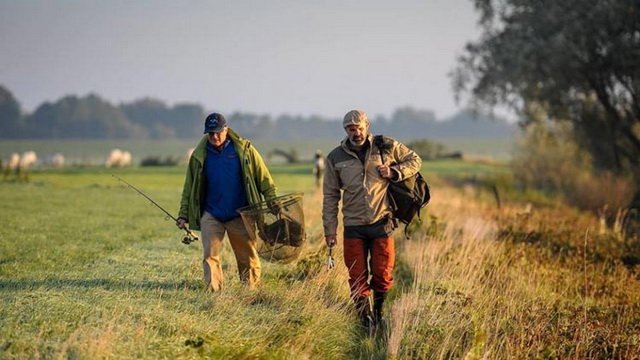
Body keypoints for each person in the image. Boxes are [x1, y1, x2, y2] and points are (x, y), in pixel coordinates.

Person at [322, 110, 422, 334]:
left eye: (359, 127)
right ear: (345, 130)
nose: (356, 132)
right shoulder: (334, 157)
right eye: (350, 129)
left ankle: (379, 313)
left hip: (382, 223)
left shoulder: (385, 147)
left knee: (382, 274)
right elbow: (330, 196)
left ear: (367, 125)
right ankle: (365, 320)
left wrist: (395, 171)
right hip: (353, 226)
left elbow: (415, 160)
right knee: (356, 276)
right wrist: (330, 230)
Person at [177, 112, 278, 291]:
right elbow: (189, 187)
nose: (214, 137)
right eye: (210, 133)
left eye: (217, 132)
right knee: (210, 256)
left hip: (240, 213)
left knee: (247, 256)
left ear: (226, 129)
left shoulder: (245, 150)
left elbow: (263, 178)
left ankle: (250, 291)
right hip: (212, 213)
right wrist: (183, 214)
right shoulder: (199, 155)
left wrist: (273, 201)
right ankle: (214, 293)